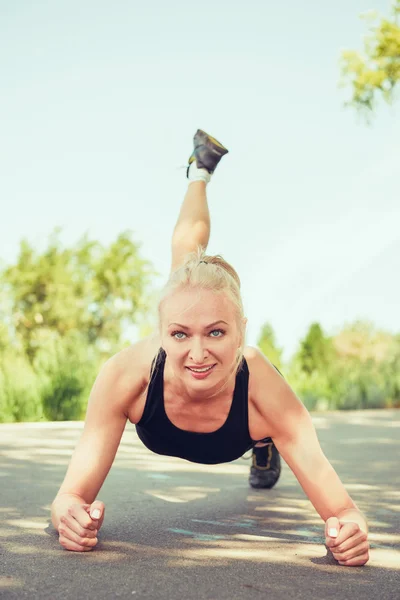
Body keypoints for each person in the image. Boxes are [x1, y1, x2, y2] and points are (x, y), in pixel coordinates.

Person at [51, 130, 370, 567]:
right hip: (169, 348)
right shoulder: (127, 374)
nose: (198, 353)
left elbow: (345, 511)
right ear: (160, 333)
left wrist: (350, 533)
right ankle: (199, 171)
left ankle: (264, 447)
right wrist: (69, 514)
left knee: (191, 275)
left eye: (217, 333)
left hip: (248, 421)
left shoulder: (265, 390)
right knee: (186, 263)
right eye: (179, 335)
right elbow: (70, 496)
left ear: (241, 331)